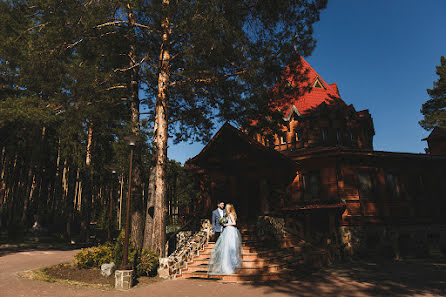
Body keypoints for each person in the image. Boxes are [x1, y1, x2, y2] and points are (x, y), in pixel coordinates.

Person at [208, 203, 242, 275]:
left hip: (230, 231)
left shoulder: (230, 215)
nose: (225, 208)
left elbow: (234, 223)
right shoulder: (227, 215)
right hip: (227, 231)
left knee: (231, 247)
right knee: (226, 248)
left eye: (226, 207)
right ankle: (226, 266)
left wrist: (226, 224)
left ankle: (231, 265)